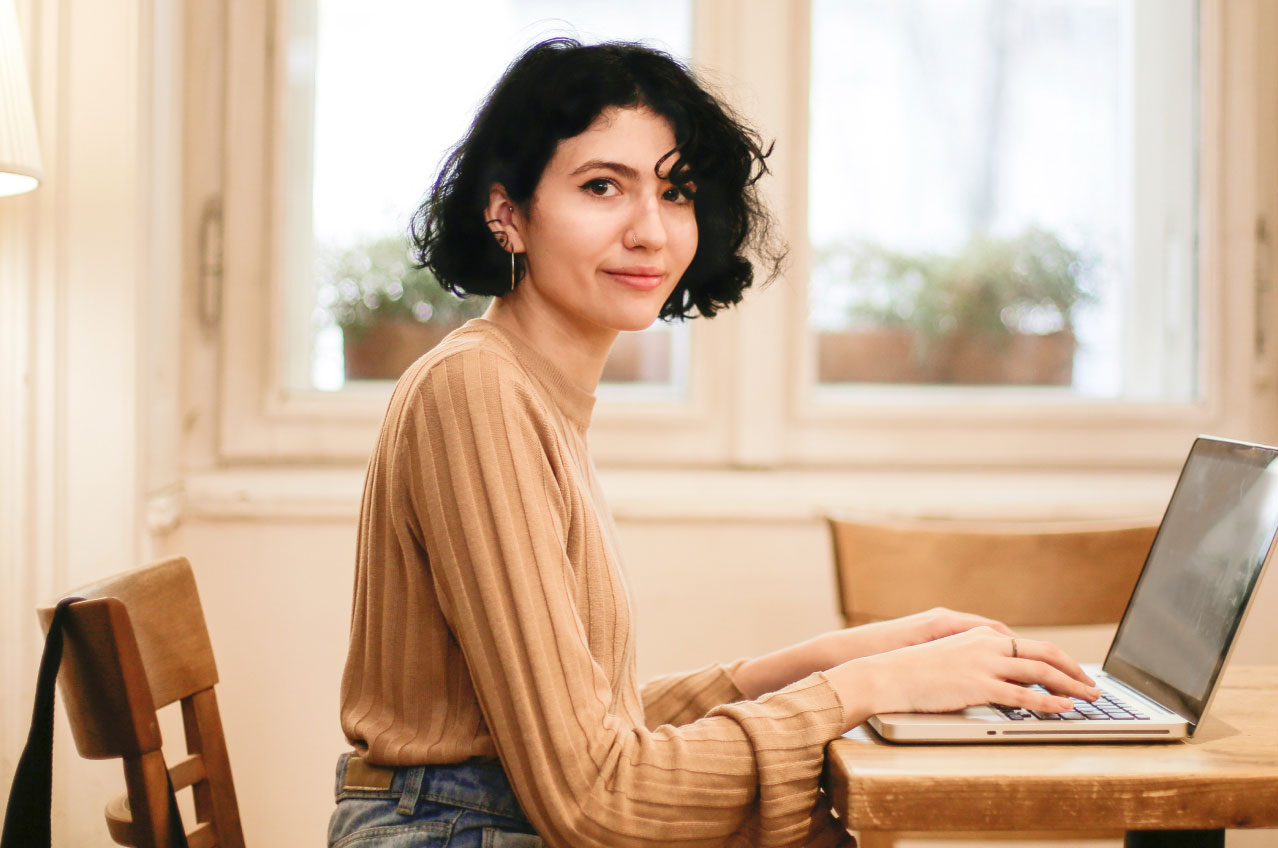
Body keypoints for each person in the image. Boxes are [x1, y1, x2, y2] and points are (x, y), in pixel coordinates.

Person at [328, 38, 1099, 848]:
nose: (650, 232)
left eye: (677, 191)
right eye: (602, 187)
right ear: (506, 214)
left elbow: (588, 729)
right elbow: (596, 796)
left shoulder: (529, 390)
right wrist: (874, 686)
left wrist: (844, 659)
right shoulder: (477, 393)